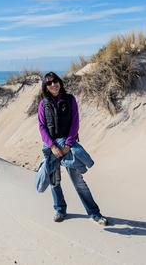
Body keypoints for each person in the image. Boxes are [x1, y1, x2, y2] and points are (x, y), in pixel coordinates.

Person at [38, 71, 108, 225]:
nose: (53, 84)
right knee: (54, 181)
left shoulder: (70, 100)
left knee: (78, 182)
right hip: (51, 148)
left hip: (68, 146)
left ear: (60, 82)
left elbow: (75, 123)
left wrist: (68, 145)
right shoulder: (43, 104)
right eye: (49, 83)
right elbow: (42, 127)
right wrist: (52, 146)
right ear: (46, 87)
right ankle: (60, 210)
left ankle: (95, 213)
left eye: (55, 81)